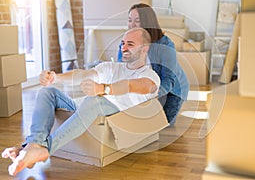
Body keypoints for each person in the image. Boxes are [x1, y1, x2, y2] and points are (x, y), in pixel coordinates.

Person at [1, 28, 160, 176]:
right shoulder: (111, 67)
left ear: (144, 49)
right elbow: (83, 74)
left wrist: (104, 89)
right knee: (47, 92)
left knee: (94, 100)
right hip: (86, 108)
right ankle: (32, 146)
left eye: (130, 44)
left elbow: (137, 86)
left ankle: (42, 149)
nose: (124, 47)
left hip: (114, 111)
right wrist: (55, 78)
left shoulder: (150, 75)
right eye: (122, 43)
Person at [117, 3, 189, 125]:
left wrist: (150, 96)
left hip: (171, 90)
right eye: (129, 20)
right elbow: (121, 70)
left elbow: (168, 79)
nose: (132, 25)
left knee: (161, 124)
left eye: (137, 21)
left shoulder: (165, 45)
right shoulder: (125, 42)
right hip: (143, 86)